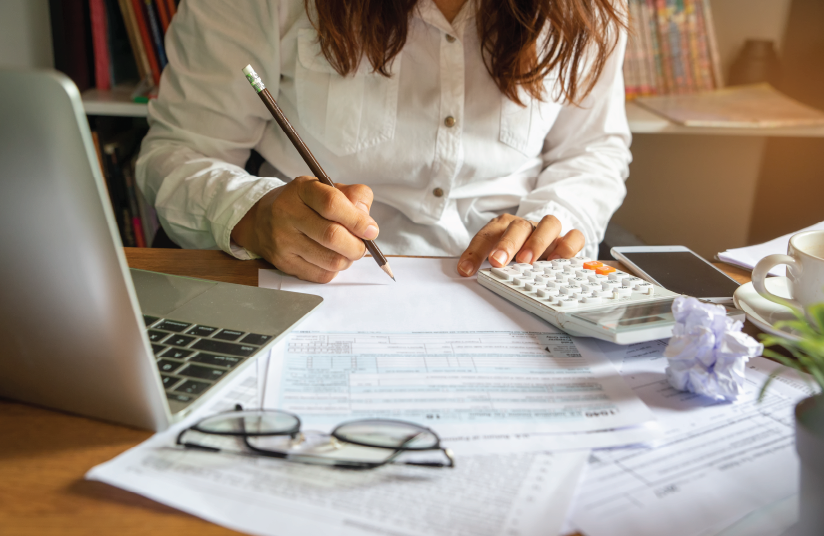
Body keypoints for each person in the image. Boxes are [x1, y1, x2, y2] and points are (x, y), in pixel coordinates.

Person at [137, 0, 631, 283]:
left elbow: (592, 150)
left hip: (514, 286)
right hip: (307, 285)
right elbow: (180, 150)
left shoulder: (587, 9)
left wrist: (552, 222)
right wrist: (252, 214)